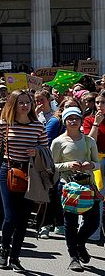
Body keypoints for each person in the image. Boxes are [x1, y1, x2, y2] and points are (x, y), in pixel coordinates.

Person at [0, 90, 48, 272]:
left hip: (30, 173)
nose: (25, 106)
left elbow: (46, 152)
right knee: (10, 217)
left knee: (23, 219)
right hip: (7, 170)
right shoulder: (3, 125)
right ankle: (4, 247)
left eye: (27, 102)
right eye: (21, 102)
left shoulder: (38, 127)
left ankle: (15, 257)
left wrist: (37, 151)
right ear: (13, 104)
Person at [52, 106, 100, 272]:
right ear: (64, 121)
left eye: (76, 118)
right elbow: (52, 166)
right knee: (70, 223)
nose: (73, 121)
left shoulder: (89, 141)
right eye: (69, 118)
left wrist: (91, 165)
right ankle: (73, 257)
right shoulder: (58, 141)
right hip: (67, 187)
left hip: (88, 187)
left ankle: (79, 243)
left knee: (93, 222)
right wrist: (67, 165)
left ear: (81, 120)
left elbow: (98, 163)